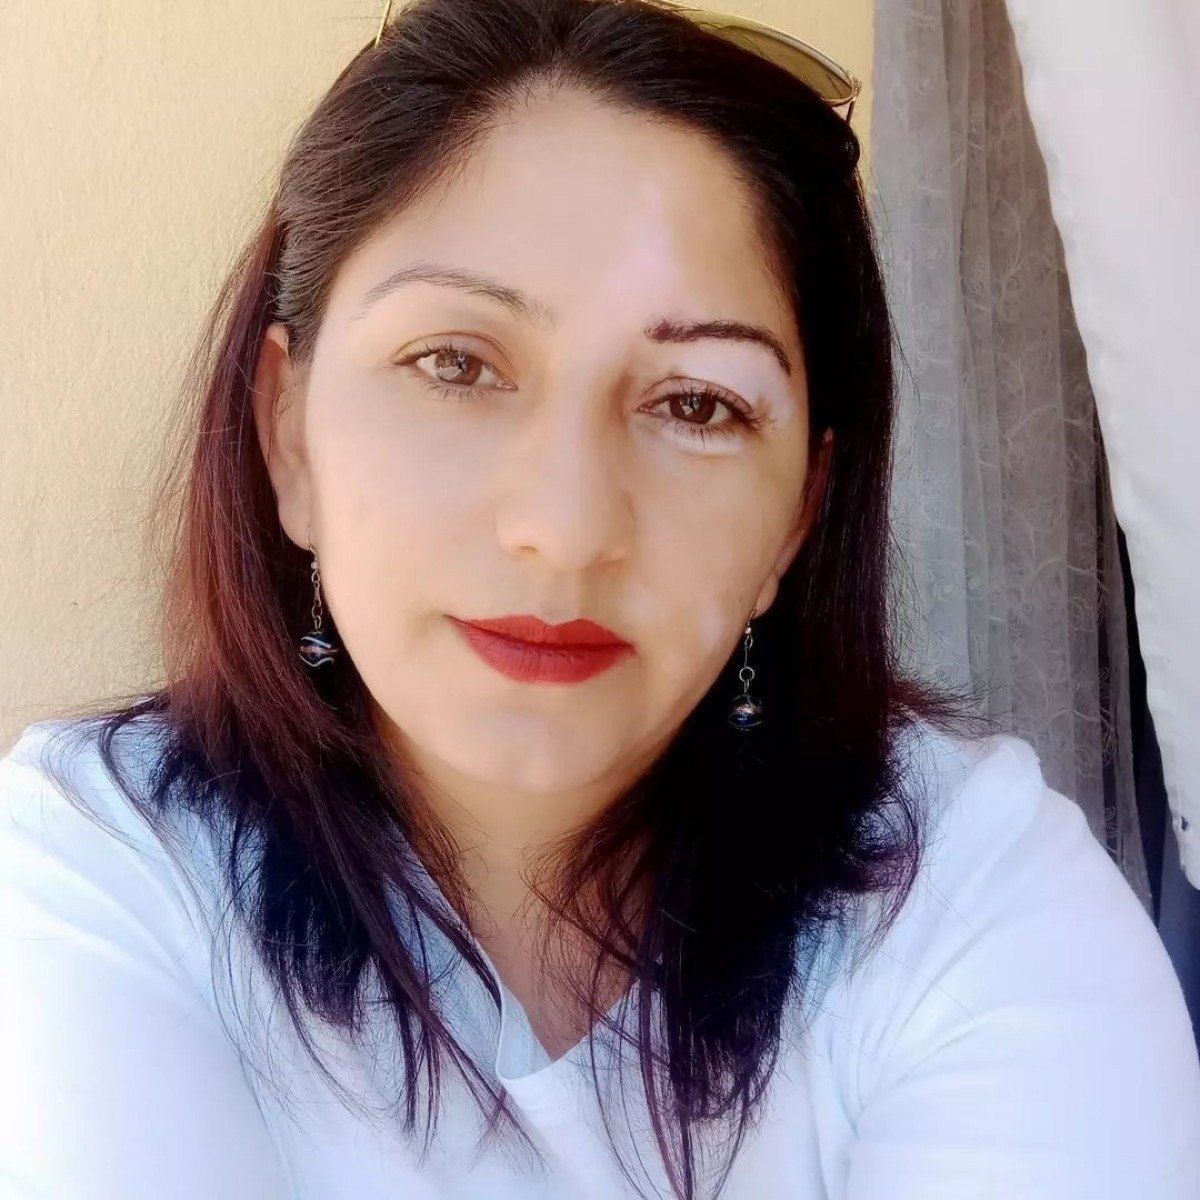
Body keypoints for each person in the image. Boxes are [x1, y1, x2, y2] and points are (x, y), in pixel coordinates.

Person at [1, 0, 1197, 1197]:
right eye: (455, 364)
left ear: (799, 513)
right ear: (288, 432)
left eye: (697, 404)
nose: (568, 530)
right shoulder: (101, 864)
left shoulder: (965, 893)